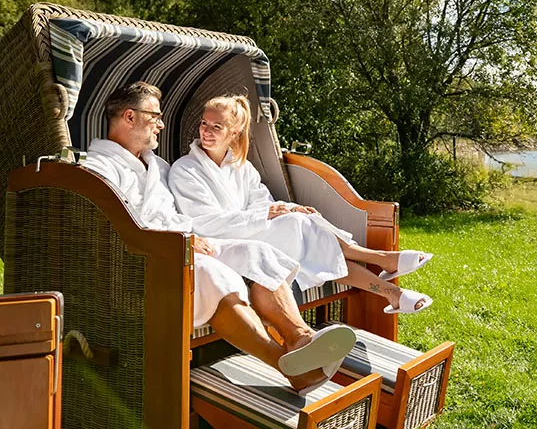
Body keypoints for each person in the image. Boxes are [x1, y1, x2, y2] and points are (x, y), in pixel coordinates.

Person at [84, 82, 356, 393]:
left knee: (258, 252)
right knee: (215, 274)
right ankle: (287, 367)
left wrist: (191, 236)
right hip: (149, 256)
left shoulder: (156, 165)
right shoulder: (98, 168)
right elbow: (115, 228)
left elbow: (180, 215)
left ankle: (301, 338)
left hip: (185, 240)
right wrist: (183, 240)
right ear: (130, 117)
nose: (161, 124)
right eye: (155, 116)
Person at [169, 95, 432, 314]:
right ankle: (380, 262)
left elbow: (262, 203)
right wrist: (272, 215)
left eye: (217, 127)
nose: (206, 131)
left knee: (305, 228)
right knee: (301, 228)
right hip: (218, 239)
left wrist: (289, 208)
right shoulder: (185, 170)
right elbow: (202, 222)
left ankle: (391, 291)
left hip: (251, 230)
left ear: (235, 132)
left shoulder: (243, 167)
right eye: (204, 123)